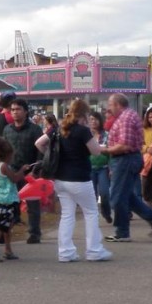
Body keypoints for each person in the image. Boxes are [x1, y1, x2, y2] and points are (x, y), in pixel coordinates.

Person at [36, 99, 112, 262]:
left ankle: (65, 252)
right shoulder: (83, 131)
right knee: (91, 213)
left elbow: (39, 143)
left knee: (67, 214)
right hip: (80, 178)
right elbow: (96, 151)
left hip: (61, 178)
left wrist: (51, 155)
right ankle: (94, 250)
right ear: (84, 114)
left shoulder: (59, 129)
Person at [102, 94, 152, 242]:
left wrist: (104, 150)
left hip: (125, 159)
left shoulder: (126, 119)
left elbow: (125, 145)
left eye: (110, 105)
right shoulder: (127, 116)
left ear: (117, 104)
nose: (109, 109)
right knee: (126, 195)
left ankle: (122, 232)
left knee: (116, 198)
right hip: (126, 159)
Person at [1, 98, 43, 243]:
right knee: (9, 204)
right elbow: (3, 150)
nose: (15, 112)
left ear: (25, 112)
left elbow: (41, 152)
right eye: (12, 110)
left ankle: (34, 233)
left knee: (32, 204)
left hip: (30, 171)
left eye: (18, 109)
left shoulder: (35, 129)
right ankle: (2, 233)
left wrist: (36, 170)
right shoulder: (7, 130)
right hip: (12, 172)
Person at [0, 137, 31, 262]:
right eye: (11, 155)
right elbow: (15, 178)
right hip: (6, 199)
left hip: (4, 199)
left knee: (7, 226)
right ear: (6, 155)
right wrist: (23, 170)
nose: (12, 158)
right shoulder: (4, 166)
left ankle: (8, 249)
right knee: (1, 226)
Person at [88, 110, 112, 224]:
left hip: (103, 167)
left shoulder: (107, 135)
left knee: (104, 193)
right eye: (91, 119)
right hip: (89, 168)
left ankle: (106, 212)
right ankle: (93, 217)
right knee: (91, 194)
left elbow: (111, 152)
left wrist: (111, 168)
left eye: (95, 119)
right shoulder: (86, 135)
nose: (93, 122)